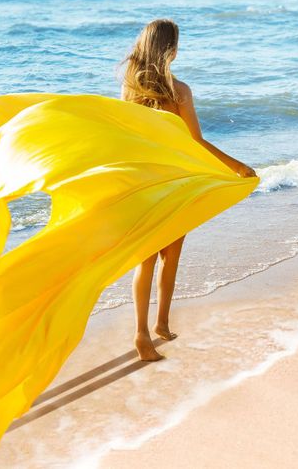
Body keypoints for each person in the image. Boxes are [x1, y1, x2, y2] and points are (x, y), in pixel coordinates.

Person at [120, 19, 255, 361]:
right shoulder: (179, 90)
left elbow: (128, 140)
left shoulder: (130, 89)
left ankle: (142, 333)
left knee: (145, 259)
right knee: (171, 256)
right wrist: (237, 166)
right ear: (172, 50)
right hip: (175, 183)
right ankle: (162, 324)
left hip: (142, 183)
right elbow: (195, 141)